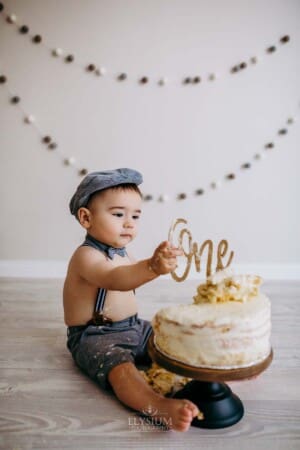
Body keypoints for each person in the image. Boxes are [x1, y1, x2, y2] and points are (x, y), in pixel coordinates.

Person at [63, 168, 199, 431]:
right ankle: (156, 406)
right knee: (123, 372)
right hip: (95, 336)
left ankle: (211, 372)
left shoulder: (122, 253)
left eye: (135, 216)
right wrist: (152, 268)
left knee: (171, 337)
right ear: (86, 218)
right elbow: (115, 278)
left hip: (134, 327)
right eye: (118, 214)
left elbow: (131, 273)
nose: (129, 223)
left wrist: (156, 261)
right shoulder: (86, 257)